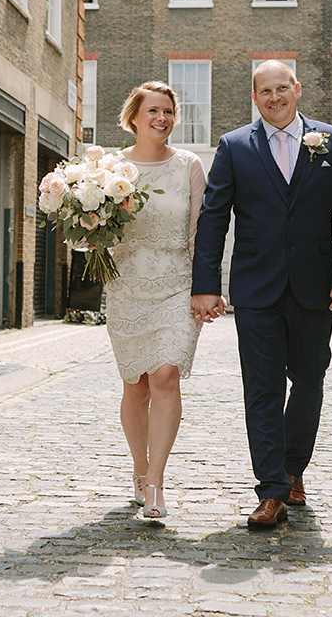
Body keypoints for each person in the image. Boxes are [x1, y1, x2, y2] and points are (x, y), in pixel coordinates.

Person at [190, 60, 332, 529]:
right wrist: (206, 284)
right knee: (263, 389)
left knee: (309, 381)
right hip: (256, 287)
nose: (274, 97)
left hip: (315, 287)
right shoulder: (233, 147)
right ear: (255, 97)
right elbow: (213, 220)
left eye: (282, 88)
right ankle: (271, 489)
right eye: (265, 91)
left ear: (297, 89)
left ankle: (294, 469)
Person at [106, 81, 206, 520]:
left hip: (176, 284)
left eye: (168, 111)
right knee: (136, 385)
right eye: (153, 111)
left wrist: (208, 288)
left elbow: (204, 231)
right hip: (126, 286)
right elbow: (94, 230)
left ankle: (156, 483)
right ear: (134, 118)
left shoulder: (189, 166)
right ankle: (139, 468)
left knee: (165, 375)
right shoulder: (111, 169)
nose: (162, 119)